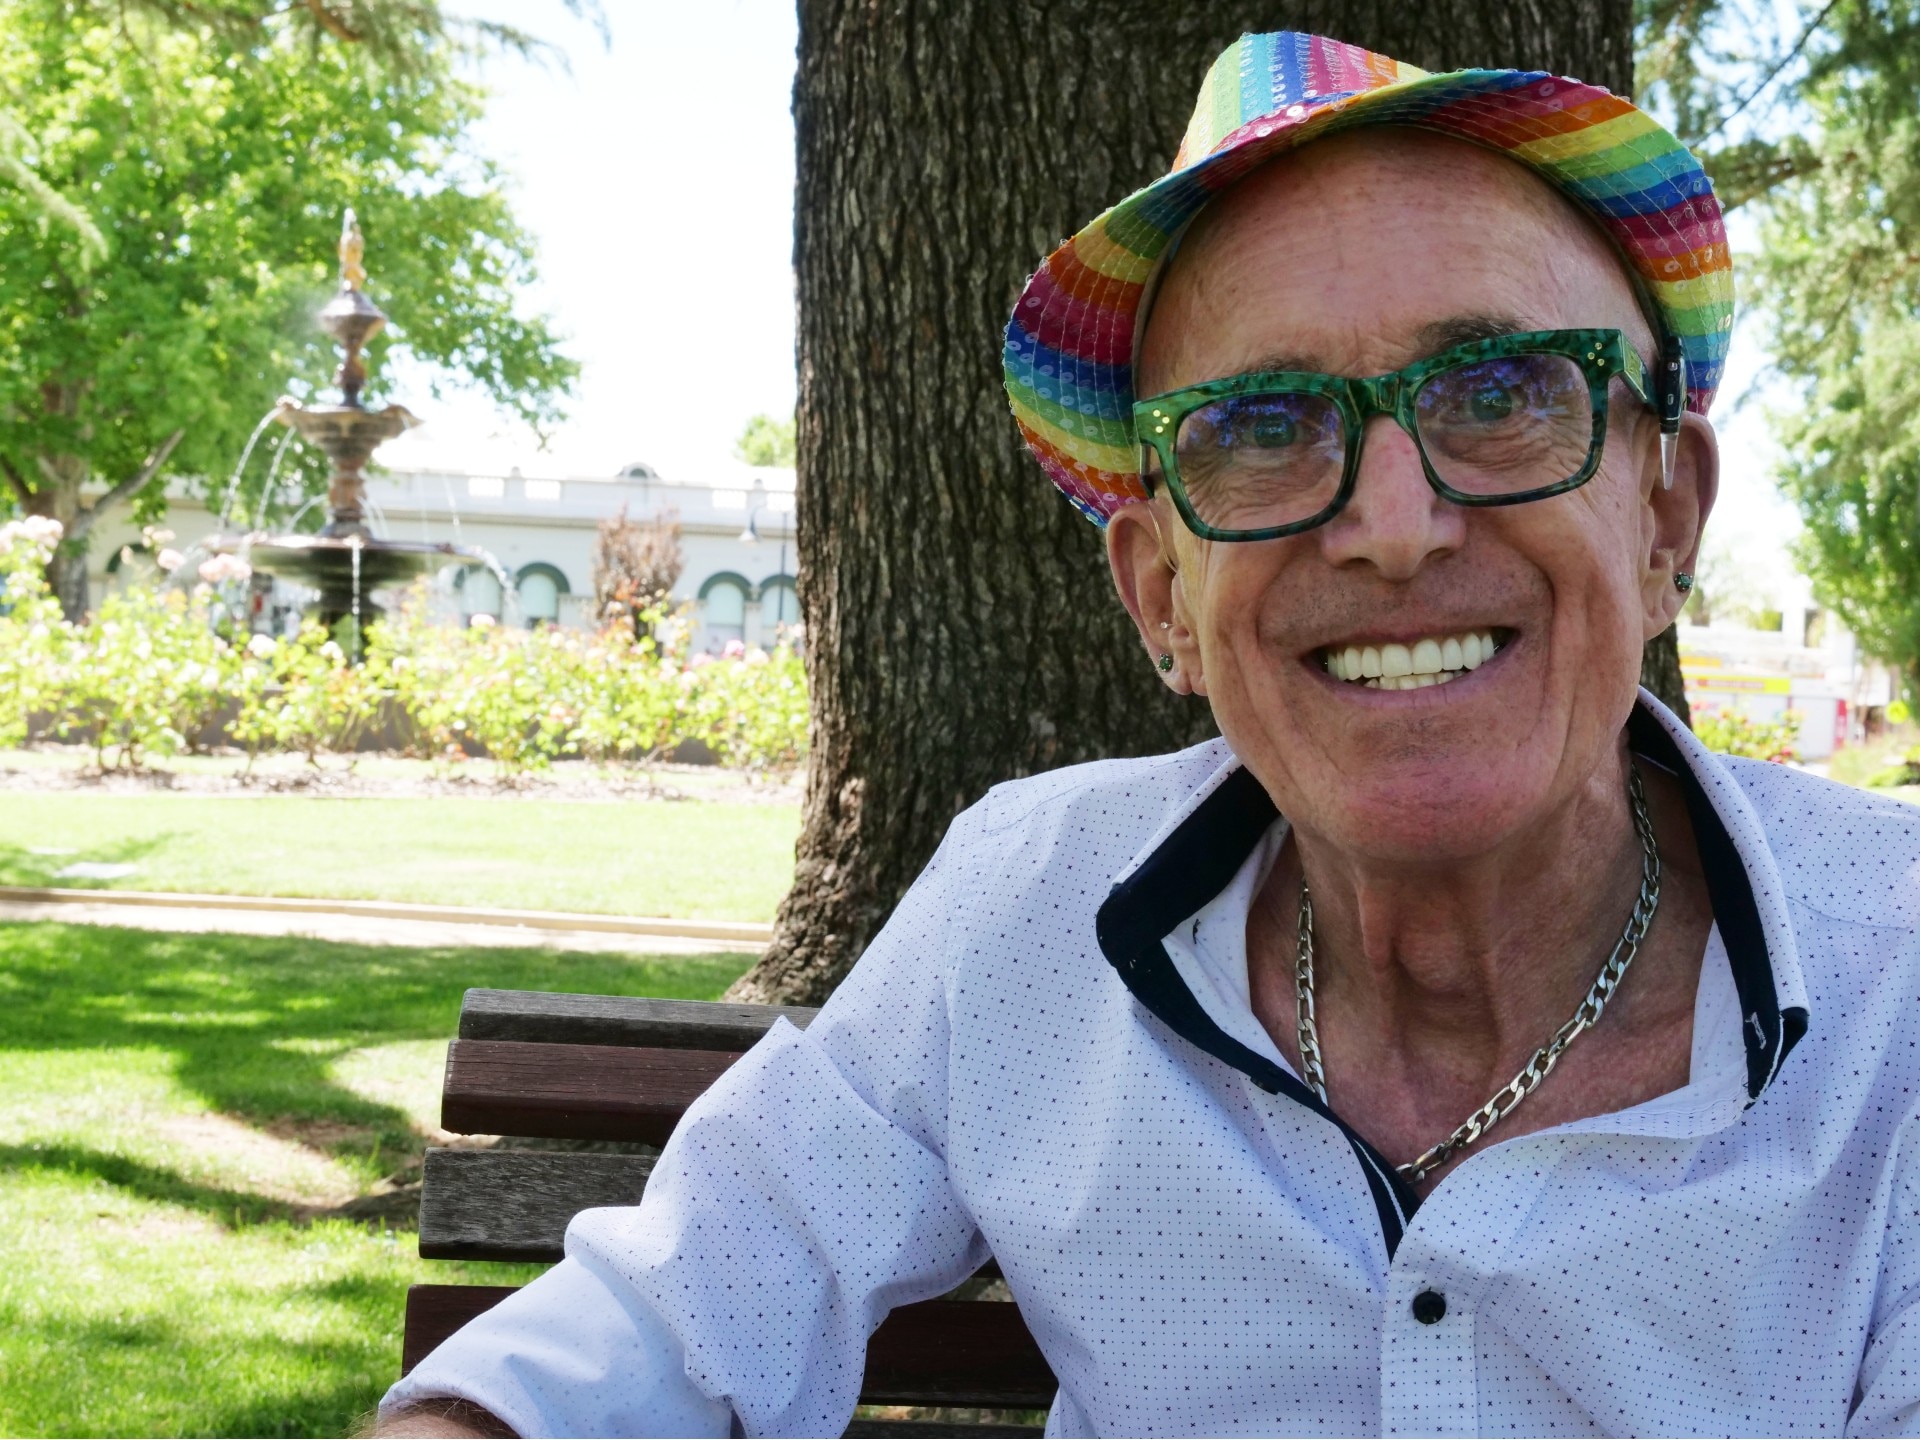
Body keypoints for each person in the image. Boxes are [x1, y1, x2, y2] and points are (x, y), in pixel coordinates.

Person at [380, 32, 1920, 1438]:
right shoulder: (1031, 904)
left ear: (1665, 521)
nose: (1394, 527)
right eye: (1261, 429)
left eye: (1503, 391)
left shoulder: (1899, 987)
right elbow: (682, 1307)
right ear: (1161, 598)